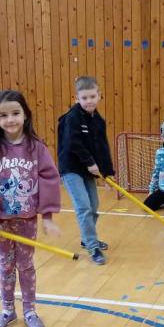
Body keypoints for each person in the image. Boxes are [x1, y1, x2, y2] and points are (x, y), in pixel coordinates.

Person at [0, 90, 61, 327]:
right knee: (5, 266)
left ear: (25, 115)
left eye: (15, 113)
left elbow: (49, 179)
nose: (10, 119)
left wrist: (47, 216)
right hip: (1, 222)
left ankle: (30, 311)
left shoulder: (36, 148)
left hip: (26, 220)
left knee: (25, 265)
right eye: (3, 115)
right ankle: (7, 310)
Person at [57, 76, 115, 265]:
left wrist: (108, 173)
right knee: (83, 207)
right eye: (84, 98)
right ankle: (92, 246)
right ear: (77, 98)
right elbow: (72, 142)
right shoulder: (72, 118)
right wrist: (89, 162)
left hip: (87, 170)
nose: (89, 101)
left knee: (94, 205)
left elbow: (102, 148)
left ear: (99, 95)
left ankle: (86, 238)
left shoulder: (98, 121)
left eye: (92, 96)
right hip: (71, 168)